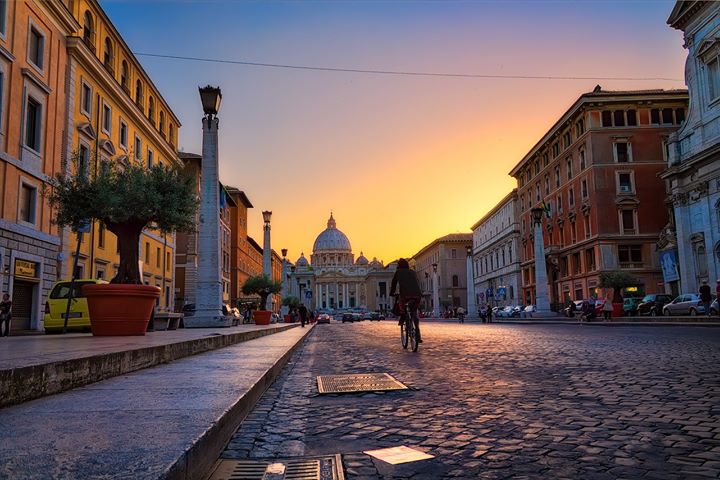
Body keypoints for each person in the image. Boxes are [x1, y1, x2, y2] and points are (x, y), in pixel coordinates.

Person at [389, 258, 423, 343]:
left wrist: (392, 293)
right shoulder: (413, 272)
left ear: (399, 266)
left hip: (405, 295)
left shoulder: (398, 272)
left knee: (402, 306)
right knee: (414, 313)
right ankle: (418, 334)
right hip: (417, 295)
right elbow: (417, 283)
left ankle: (403, 316)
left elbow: (393, 283)